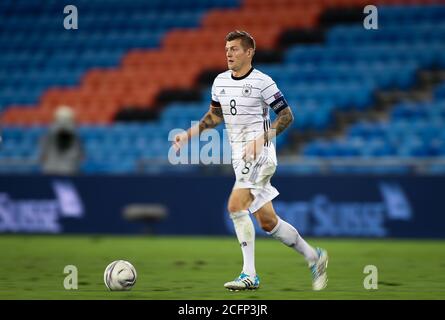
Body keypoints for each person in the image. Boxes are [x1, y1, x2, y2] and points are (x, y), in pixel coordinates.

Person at [173, 30, 328, 291]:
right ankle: (315, 257)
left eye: (234, 49)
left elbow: (287, 116)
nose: (229, 53)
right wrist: (188, 135)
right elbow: (214, 117)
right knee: (268, 222)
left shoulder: (263, 82)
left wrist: (262, 138)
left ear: (249, 52)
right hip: (239, 156)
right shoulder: (220, 81)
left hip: (260, 153)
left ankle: (249, 274)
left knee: (235, 206)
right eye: (227, 49)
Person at [40, 105, 84, 175]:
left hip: (64, 169)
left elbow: (43, 154)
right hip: (62, 169)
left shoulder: (49, 133)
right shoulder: (49, 135)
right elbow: (80, 155)